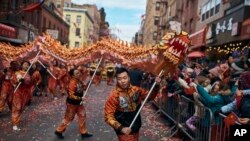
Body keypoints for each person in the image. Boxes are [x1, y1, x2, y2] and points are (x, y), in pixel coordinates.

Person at [104, 67, 161, 141]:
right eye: (119, 79)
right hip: (124, 132)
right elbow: (108, 116)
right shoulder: (114, 95)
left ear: (129, 78)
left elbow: (149, 97)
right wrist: (121, 128)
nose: (123, 81)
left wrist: (156, 85)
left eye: (125, 78)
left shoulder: (136, 90)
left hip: (135, 128)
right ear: (116, 80)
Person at [55, 68, 93, 139]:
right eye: (77, 73)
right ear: (73, 75)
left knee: (82, 116)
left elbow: (84, 88)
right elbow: (71, 95)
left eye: (79, 72)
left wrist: (89, 82)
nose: (79, 74)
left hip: (79, 104)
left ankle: (83, 132)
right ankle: (59, 131)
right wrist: (80, 98)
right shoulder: (72, 82)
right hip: (71, 104)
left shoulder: (79, 81)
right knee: (69, 118)